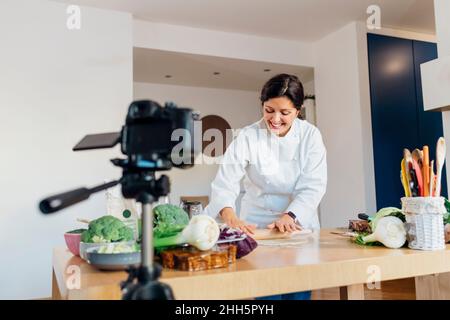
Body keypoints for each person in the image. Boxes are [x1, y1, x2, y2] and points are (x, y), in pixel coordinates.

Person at [203, 74, 327, 300]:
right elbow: (226, 180)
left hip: (297, 224)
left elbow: (313, 185)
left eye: (284, 113)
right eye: (269, 110)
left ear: (298, 111)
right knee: (266, 292)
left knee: (298, 292)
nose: (275, 119)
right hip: (258, 226)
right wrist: (229, 214)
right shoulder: (248, 136)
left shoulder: (310, 136)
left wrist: (290, 215)